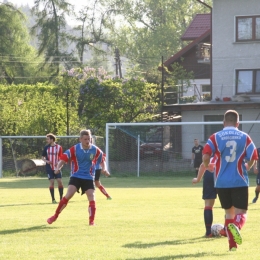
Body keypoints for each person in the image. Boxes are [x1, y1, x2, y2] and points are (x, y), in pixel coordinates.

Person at [202, 110, 258, 251]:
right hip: (239, 179)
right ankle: (237, 226)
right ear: (237, 123)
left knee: (229, 213)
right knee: (241, 213)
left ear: (223, 122)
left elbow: (205, 155)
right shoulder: (244, 137)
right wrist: (248, 166)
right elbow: (253, 155)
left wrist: (208, 166)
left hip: (221, 182)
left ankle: (232, 246)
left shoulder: (215, 137)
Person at [46, 129, 110, 226]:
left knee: (92, 197)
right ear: (80, 139)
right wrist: (58, 168)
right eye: (85, 139)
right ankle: (55, 216)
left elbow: (102, 160)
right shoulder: (74, 149)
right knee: (68, 195)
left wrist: (104, 169)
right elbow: (63, 159)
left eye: (89, 139)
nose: (88, 141)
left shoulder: (95, 149)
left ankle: (91, 222)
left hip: (88, 177)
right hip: (76, 176)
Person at [192, 158, 217, 237]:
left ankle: (209, 232)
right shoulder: (223, 147)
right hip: (222, 175)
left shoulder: (211, 146)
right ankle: (227, 231)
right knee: (228, 206)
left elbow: (203, 164)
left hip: (210, 174)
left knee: (208, 204)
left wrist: (198, 179)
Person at [42, 133, 64, 203]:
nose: (47, 140)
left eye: (48, 139)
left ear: (52, 139)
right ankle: (53, 199)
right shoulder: (46, 147)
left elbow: (62, 158)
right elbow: (42, 157)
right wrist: (47, 161)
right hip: (49, 168)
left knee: (59, 182)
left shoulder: (59, 147)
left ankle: (61, 198)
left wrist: (59, 165)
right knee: (52, 182)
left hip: (57, 168)